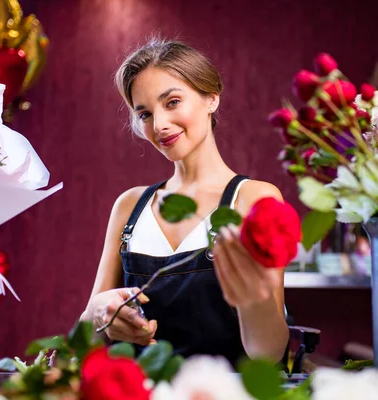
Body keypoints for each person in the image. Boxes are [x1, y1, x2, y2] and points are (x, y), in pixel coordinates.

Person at [80, 38, 289, 366]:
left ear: (211, 99)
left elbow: (271, 352)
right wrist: (99, 312)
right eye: (145, 113)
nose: (159, 125)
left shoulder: (255, 199)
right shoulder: (129, 206)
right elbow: (82, 338)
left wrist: (254, 302)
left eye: (172, 102)